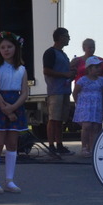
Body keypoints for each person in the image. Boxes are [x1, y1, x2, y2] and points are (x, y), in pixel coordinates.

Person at [0, 31, 29, 194]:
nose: (6, 50)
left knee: (12, 144)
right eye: (2, 47)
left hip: (15, 104)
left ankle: (9, 180)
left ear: (16, 48)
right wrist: (6, 109)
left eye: (9, 47)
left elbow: (24, 93)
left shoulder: (22, 69)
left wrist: (13, 107)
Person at [42, 27, 75, 155]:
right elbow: (46, 70)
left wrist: (71, 74)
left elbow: (65, 73)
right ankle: (51, 146)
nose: (69, 38)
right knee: (53, 118)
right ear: (60, 37)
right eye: (67, 36)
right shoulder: (50, 52)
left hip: (65, 90)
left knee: (60, 120)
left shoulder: (63, 54)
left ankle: (59, 145)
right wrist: (65, 74)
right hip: (55, 91)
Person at [72, 56, 103, 157]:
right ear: (89, 68)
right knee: (86, 126)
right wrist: (78, 104)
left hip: (96, 107)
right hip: (85, 107)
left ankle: (92, 147)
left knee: (95, 127)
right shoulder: (82, 80)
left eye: (99, 67)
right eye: (96, 67)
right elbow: (75, 92)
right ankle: (84, 147)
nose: (98, 69)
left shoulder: (101, 81)